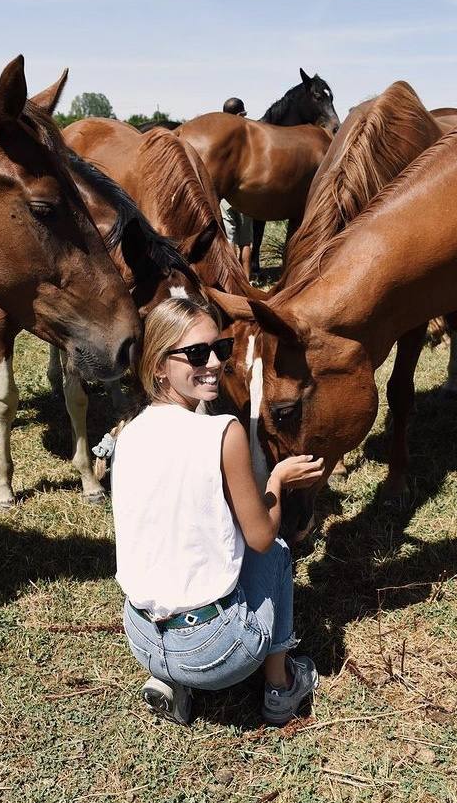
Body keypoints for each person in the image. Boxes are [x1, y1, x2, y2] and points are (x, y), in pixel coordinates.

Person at [106, 296, 324, 726]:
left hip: (142, 638)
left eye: (220, 350)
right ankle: (281, 688)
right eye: (195, 354)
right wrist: (276, 481)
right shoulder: (223, 431)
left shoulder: (128, 433)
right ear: (157, 366)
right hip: (214, 651)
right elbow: (260, 537)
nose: (214, 363)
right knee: (277, 551)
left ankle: (169, 680)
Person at [220, 97, 254, 280]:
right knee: (246, 242)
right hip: (244, 195)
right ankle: (247, 281)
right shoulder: (249, 137)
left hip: (226, 198)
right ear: (240, 114)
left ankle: (234, 281)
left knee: (230, 240)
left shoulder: (219, 136)